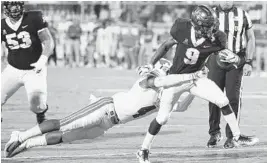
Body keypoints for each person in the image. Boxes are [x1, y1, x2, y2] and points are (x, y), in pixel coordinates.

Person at [4, 58, 206, 158]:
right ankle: (21, 135)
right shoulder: (149, 80)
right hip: (105, 108)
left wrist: (191, 89)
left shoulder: (163, 97)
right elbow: (155, 82)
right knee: (64, 124)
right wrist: (187, 77)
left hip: (108, 124)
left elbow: (180, 108)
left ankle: (29, 145)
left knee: (65, 138)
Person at [136, 5, 259, 163]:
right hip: (176, 79)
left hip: (196, 78)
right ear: (195, 24)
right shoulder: (182, 28)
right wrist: (151, 63)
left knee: (222, 100)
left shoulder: (217, 36)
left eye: (211, 25)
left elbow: (221, 52)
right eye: (207, 26)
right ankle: (143, 149)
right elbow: (166, 45)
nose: (211, 29)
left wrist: (234, 58)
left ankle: (236, 136)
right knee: (162, 118)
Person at [206, 1, 257, 148]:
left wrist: (248, 61)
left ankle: (232, 136)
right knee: (213, 96)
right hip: (215, 59)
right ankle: (214, 133)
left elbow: (251, 37)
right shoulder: (211, 14)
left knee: (233, 98)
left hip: (236, 60)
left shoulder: (242, 14)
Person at [1, 1, 54, 124]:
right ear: (6, 7)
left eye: (17, 5)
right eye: (12, 6)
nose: (15, 9)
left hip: (34, 70)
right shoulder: (2, 24)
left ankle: (41, 114)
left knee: (37, 104)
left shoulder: (34, 17)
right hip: (13, 69)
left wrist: (43, 59)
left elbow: (48, 41)